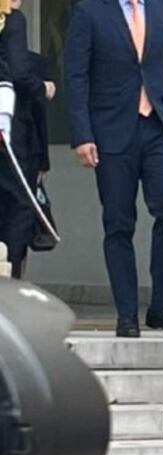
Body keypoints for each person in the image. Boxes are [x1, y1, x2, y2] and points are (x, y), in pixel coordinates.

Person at [64, 0, 163, 337]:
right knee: (119, 222)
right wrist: (82, 134)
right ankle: (126, 314)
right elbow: (75, 75)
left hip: (161, 128)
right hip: (111, 130)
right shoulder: (89, 12)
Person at [0, 0, 43, 279]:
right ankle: (11, 281)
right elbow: (16, 71)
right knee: (17, 202)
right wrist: (43, 86)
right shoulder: (12, 20)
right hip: (6, 121)